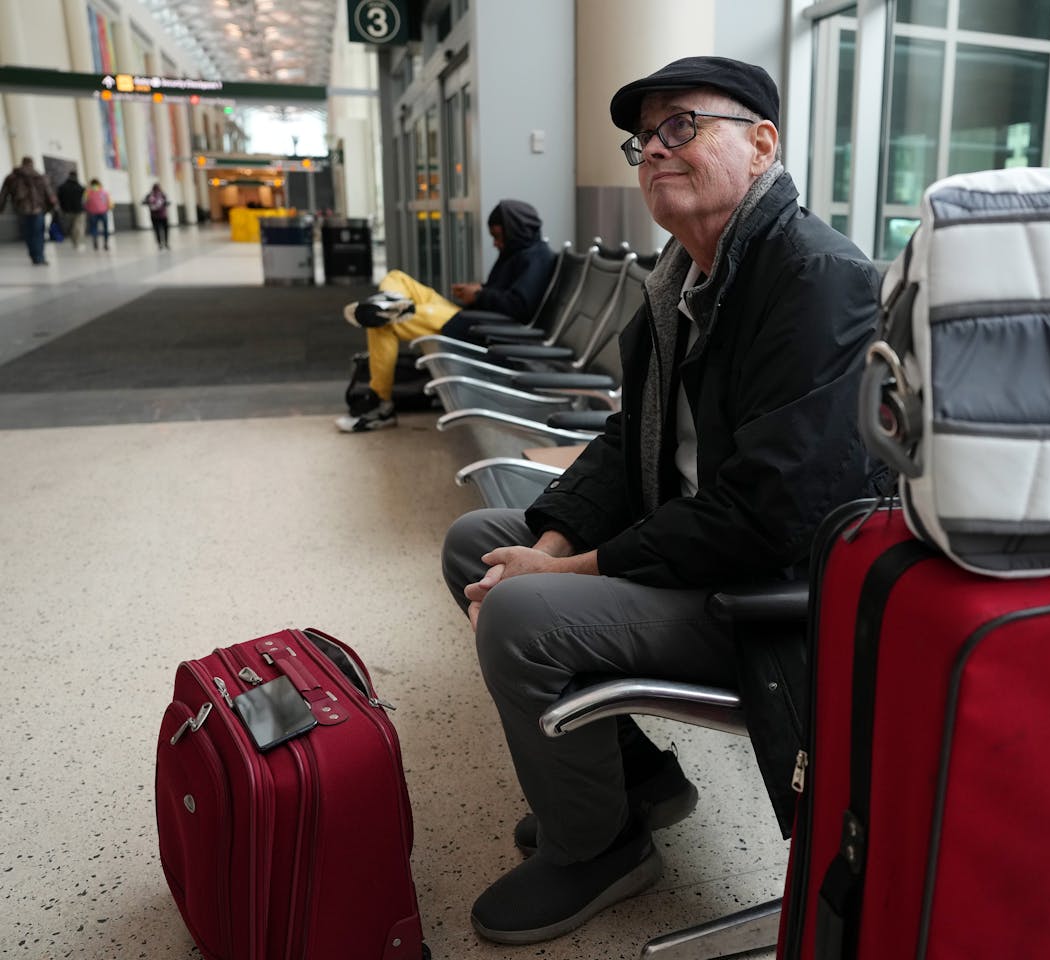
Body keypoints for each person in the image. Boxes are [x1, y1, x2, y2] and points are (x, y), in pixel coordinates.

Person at [440, 56, 880, 944]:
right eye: (644, 138)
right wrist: (555, 540)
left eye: (682, 126)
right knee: (477, 541)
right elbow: (622, 437)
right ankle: (635, 784)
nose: (654, 151)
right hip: (686, 547)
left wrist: (572, 571)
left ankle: (596, 847)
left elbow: (767, 512)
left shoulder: (818, 280)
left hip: (767, 596)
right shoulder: (682, 275)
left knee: (522, 613)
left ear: (762, 144)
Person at [336, 199, 556, 433]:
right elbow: (505, 293)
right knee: (397, 277)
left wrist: (480, 294)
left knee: (383, 323)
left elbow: (520, 307)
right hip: (470, 318)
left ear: (516, 230)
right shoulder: (518, 251)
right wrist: (478, 290)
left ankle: (381, 404)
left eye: (499, 236)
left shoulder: (537, 257)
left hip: (480, 329)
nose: (495, 243)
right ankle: (389, 300)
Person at [0, 156, 58, 265]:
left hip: (21, 209)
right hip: (38, 209)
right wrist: (53, 207)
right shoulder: (39, 176)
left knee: (28, 233)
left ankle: (33, 256)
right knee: (38, 233)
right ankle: (39, 257)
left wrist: (1, 208)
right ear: (32, 163)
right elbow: (49, 194)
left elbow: (3, 193)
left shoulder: (12, 177)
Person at [56, 171, 85, 248]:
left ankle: (74, 241)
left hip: (66, 210)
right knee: (78, 226)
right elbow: (82, 196)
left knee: (71, 226)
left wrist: (61, 208)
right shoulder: (79, 187)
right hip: (78, 210)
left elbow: (59, 198)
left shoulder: (62, 187)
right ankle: (77, 242)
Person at [83, 179, 111, 250]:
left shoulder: (88, 192)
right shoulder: (104, 192)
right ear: (99, 184)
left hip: (92, 213)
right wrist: (107, 208)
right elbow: (109, 202)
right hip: (103, 212)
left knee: (94, 228)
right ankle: (106, 243)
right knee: (105, 228)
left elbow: (85, 202)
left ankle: (95, 242)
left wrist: (88, 209)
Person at [144, 183, 170, 249]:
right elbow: (144, 202)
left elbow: (166, 202)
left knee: (161, 230)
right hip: (158, 216)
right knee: (159, 230)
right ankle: (162, 243)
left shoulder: (162, 195)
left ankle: (164, 243)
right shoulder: (150, 195)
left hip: (161, 216)